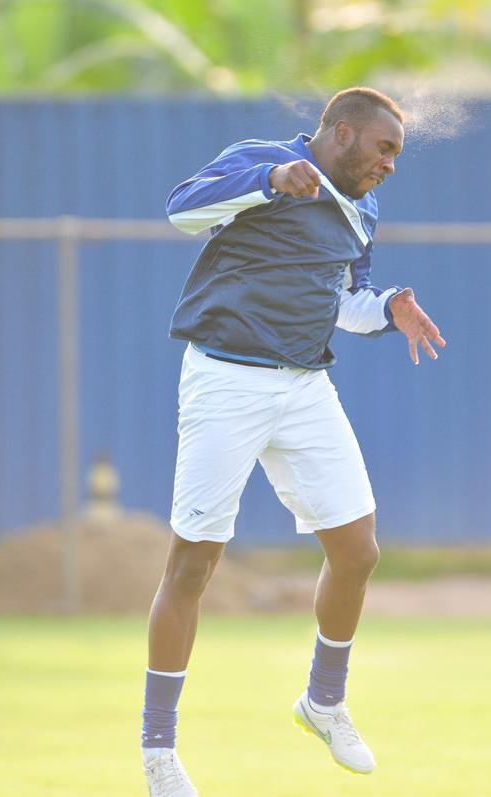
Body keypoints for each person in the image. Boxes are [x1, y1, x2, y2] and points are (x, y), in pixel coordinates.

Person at [140, 87, 446, 796]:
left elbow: (344, 301)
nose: (390, 165)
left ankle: (323, 701)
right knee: (193, 564)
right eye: (384, 149)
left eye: (396, 154)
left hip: (305, 385)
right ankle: (158, 750)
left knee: (358, 549)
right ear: (342, 134)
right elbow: (181, 209)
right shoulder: (264, 159)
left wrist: (389, 308)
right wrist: (270, 181)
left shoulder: (362, 207)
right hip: (225, 379)